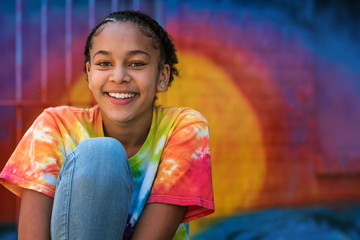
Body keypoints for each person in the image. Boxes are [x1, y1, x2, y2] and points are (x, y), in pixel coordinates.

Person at [0, 10, 214, 240]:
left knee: (104, 155)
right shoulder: (55, 127)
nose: (119, 76)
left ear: (162, 76)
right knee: (101, 155)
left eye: (136, 63)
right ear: (89, 75)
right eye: (104, 63)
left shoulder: (183, 128)